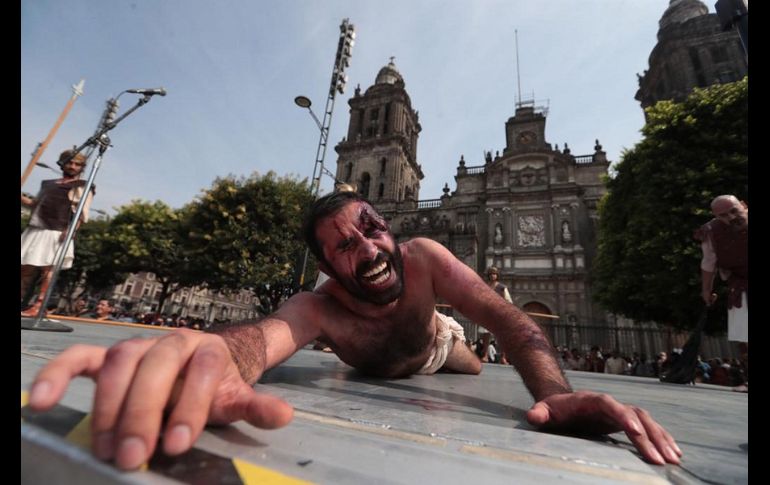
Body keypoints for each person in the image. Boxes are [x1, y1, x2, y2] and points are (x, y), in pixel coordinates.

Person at [28, 191, 681, 470]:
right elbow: (267, 336)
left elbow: (506, 317)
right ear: (325, 267)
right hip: (370, 352)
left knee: (470, 362)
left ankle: (443, 338)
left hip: (438, 341)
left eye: (371, 226)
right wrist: (209, 353)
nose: (367, 249)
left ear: (389, 228)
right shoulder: (321, 309)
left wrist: (555, 391)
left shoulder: (425, 256)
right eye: (344, 246)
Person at [21, 148, 95, 316]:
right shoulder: (47, 183)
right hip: (36, 228)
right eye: (70, 162)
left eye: (77, 164)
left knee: (48, 269)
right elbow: (35, 204)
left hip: (57, 230)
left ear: (82, 167)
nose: (73, 166)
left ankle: (39, 306)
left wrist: (70, 230)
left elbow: (82, 213)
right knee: (24, 268)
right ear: (62, 163)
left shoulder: (83, 186)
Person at [694, 194, 748, 389]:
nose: (731, 217)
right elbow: (708, 263)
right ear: (717, 217)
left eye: (734, 211)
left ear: (743, 205)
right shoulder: (712, 232)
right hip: (740, 282)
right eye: (724, 215)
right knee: (744, 333)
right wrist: (706, 290)